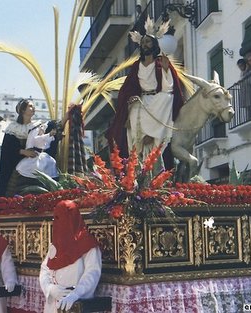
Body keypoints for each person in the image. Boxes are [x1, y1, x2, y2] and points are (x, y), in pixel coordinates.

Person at [106, 33, 185, 172]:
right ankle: (138, 156)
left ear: (154, 45)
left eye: (148, 42)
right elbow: (128, 87)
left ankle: (156, 143)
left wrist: (166, 69)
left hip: (158, 99)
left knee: (167, 97)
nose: (145, 45)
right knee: (134, 112)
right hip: (141, 99)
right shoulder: (137, 65)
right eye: (143, 42)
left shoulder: (161, 62)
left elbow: (169, 87)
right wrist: (130, 97)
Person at [39, 200, 102, 312]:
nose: (58, 222)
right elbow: (45, 269)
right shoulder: (56, 244)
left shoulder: (87, 244)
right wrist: (50, 289)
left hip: (75, 303)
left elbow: (92, 273)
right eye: (56, 218)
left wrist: (75, 294)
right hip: (53, 304)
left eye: (61, 217)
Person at [0, 99, 43, 197]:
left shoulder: (38, 126)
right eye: (30, 106)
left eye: (33, 106)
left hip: (35, 161)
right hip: (16, 164)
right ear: (22, 110)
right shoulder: (13, 128)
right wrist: (23, 152)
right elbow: (6, 148)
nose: (33, 107)